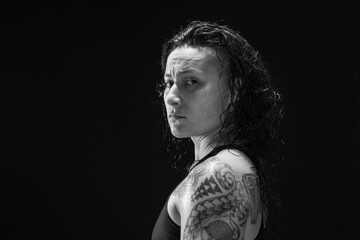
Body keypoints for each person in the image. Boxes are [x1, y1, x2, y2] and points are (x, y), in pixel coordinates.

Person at [152, 20, 284, 240]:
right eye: (168, 83)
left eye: (191, 81)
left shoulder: (220, 173)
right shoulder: (228, 166)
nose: (172, 97)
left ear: (233, 90)